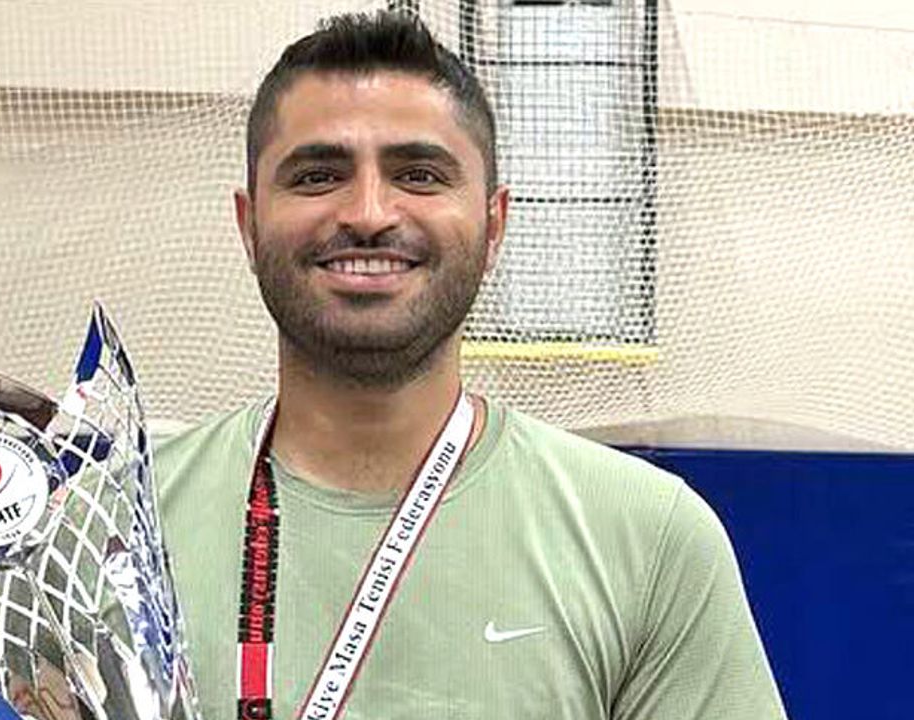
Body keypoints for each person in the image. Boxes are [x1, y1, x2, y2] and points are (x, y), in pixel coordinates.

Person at [153, 10, 787, 720]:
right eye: (319, 175)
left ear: (493, 227)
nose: (368, 212)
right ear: (249, 225)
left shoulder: (650, 538)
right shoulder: (119, 526)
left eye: (419, 175)